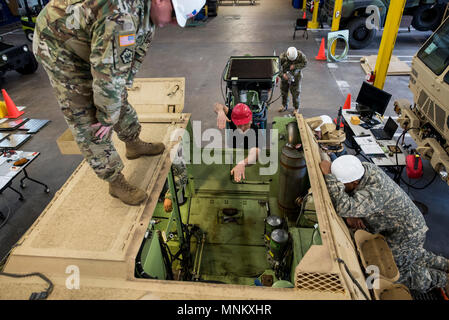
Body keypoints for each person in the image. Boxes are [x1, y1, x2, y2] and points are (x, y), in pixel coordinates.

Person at [33, 0, 205, 206]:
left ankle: (133, 144)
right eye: (175, 16)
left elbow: (127, 63)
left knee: (115, 97)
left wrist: (117, 95)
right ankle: (115, 181)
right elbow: (108, 75)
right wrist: (106, 118)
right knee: (88, 119)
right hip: (58, 45)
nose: (175, 24)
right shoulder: (121, 17)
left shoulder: (147, 13)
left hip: (90, 35)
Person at [320, 155, 449, 294]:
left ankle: (443, 280)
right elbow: (353, 203)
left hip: (406, 233)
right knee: (414, 254)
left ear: (355, 182)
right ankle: (446, 265)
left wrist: (330, 178)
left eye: (343, 184)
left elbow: (343, 206)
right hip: (406, 226)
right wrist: (354, 213)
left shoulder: (375, 192)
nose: (342, 187)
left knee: (393, 270)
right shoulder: (363, 169)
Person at [214, 102, 261, 183]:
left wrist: (242, 163)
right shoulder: (234, 116)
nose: (242, 128)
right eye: (239, 125)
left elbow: (255, 154)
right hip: (232, 154)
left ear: (251, 120)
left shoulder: (255, 132)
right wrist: (220, 111)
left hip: (246, 160)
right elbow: (217, 105)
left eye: (245, 124)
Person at [278, 47, 307, 114]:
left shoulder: (300, 55)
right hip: (285, 76)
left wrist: (295, 66)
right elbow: (276, 67)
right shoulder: (282, 57)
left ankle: (296, 108)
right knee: (284, 92)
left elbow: (305, 63)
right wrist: (282, 75)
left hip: (296, 77)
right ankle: (284, 105)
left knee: (295, 93)